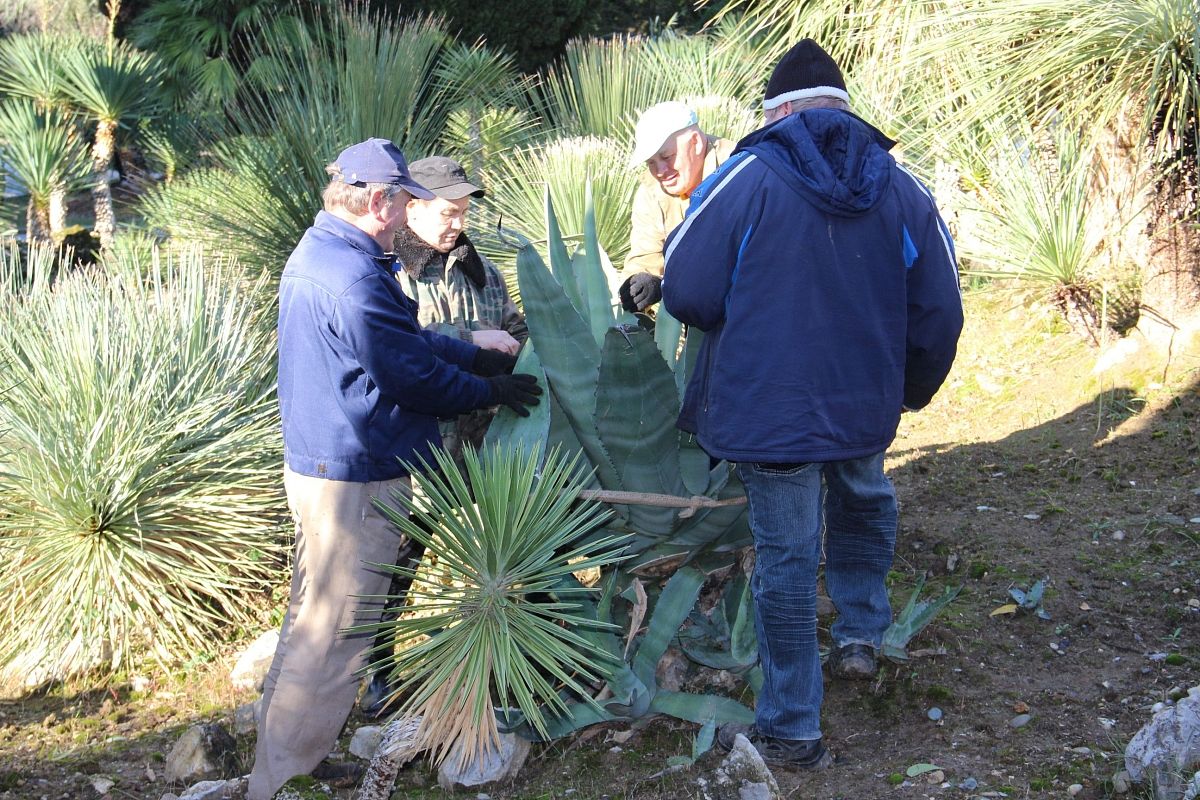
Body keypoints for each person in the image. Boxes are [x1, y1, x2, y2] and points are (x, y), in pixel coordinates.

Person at [661, 40, 963, 769]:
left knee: (787, 561)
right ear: (841, 110)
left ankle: (794, 727)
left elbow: (687, 289)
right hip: (862, 401)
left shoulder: (746, 179)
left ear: (779, 112)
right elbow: (942, 310)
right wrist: (906, 391)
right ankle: (860, 635)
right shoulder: (901, 187)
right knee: (863, 497)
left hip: (772, 412)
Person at [247, 138, 541, 800]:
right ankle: (283, 782)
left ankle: (291, 760)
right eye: (404, 198)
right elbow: (408, 376)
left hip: (331, 463)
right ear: (377, 199)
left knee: (311, 623)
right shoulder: (351, 274)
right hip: (355, 474)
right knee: (332, 639)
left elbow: (401, 339)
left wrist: (471, 357)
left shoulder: (330, 252)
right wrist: (488, 392)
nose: (409, 210)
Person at [357, 155, 531, 716]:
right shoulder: (392, 272)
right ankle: (380, 672)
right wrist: (472, 338)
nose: (458, 222)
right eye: (448, 212)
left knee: (507, 548)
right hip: (425, 445)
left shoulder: (480, 268)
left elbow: (517, 325)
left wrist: (517, 344)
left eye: (463, 212)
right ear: (413, 206)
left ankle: (512, 657)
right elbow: (402, 346)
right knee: (401, 559)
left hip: (487, 440)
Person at [619, 100, 734, 313]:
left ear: (696, 143)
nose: (661, 170)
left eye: (667, 157)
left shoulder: (737, 170)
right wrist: (643, 284)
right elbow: (644, 256)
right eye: (651, 162)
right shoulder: (651, 191)